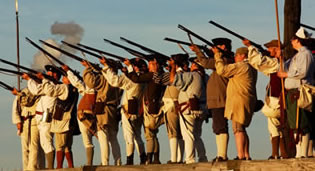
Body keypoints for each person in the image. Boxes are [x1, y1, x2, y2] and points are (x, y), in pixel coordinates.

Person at [243, 39, 289, 159]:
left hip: (276, 99)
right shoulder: (278, 63)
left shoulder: (276, 63)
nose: (268, 50)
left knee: (277, 126)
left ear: (275, 48)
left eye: (270, 48)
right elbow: (259, 64)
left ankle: (280, 153)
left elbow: (258, 61)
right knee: (275, 127)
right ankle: (278, 153)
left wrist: (250, 47)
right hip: (276, 99)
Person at [190, 38, 234, 162]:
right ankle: (220, 154)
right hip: (216, 98)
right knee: (218, 127)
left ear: (224, 47)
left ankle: (222, 155)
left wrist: (198, 52)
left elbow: (205, 63)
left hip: (220, 97)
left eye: (218, 46)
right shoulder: (221, 59)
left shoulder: (224, 60)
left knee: (220, 127)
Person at [100, 57, 147, 165]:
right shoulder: (143, 78)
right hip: (137, 111)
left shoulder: (132, 78)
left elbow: (114, 81)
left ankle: (129, 161)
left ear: (135, 67)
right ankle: (143, 158)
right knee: (137, 136)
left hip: (128, 111)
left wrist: (107, 67)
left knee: (129, 137)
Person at [214, 47, 257, 160]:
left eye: (237, 55)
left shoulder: (242, 66)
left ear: (243, 56)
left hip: (238, 100)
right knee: (242, 128)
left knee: (237, 129)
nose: (235, 57)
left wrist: (218, 57)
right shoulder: (252, 67)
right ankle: (246, 154)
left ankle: (241, 155)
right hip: (246, 99)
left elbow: (221, 71)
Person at [277, 27, 315, 158]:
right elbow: (284, 67)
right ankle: (300, 153)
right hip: (293, 92)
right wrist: (280, 59)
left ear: (298, 40)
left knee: (302, 123)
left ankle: (302, 154)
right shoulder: (297, 56)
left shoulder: (306, 54)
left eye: (293, 39)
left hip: (300, 91)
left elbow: (302, 72)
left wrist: (286, 74)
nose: (292, 42)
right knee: (295, 124)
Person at [22, 65, 69, 169]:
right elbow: (36, 90)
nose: (49, 74)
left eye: (52, 73)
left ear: (57, 75)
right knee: (44, 144)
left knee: (47, 143)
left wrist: (43, 79)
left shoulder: (61, 86)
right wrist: (29, 79)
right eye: (48, 73)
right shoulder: (48, 84)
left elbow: (49, 91)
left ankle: (50, 167)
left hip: (47, 117)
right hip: (40, 118)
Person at [125, 57, 166, 164]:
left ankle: (149, 159)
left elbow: (136, 79)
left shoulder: (153, 75)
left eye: (151, 64)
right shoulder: (160, 74)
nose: (149, 67)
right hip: (155, 106)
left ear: (156, 65)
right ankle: (156, 159)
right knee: (153, 134)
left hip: (150, 107)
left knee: (149, 135)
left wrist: (129, 67)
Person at [167, 57, 208, 164]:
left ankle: (190, 159)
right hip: (202, 109)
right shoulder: (206, 77)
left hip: (188, 109)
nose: (191, 66)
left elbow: (173, 79)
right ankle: (203, 157)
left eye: (193, 64)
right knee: (197, 136)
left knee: (188, 135)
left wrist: (172, 67)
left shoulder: (192, 75)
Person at [83, 61, 123, 166]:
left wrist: (88, 68)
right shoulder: (119, 80)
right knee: (113, 138)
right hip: (113, 110)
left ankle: (105, 163)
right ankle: (118, 162)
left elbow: (90, 82)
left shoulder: (105, 79)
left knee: (103, 136)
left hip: (103, 110)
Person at [62, 64, 97, 166]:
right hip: (84, 115)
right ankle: (90, 163)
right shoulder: (90, 88)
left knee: (90, 140)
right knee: (88, 140)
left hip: (85, 115)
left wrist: (68, 71)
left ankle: (93, 163)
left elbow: (77, 83)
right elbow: (78, 83)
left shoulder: (90, 88)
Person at [161, 53, 188, 164]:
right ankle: (179, 158)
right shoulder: (185, 73)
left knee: (173, 133)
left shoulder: (176, 74)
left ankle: (174, 158)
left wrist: (170, 68)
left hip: (171, 105)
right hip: (178, 105)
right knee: (180, 133)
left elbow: (160, 79)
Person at [11, 87, 45, 170]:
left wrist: (18, 94)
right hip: (25, 121)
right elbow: (16, 107)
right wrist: (18, 121)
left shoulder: (41, 89)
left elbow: (29, 101)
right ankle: (26, 168)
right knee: (25, 148)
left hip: (36, 120)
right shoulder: (24, 90)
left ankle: (36, 167)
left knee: (37, 146)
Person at [51, 74, 79, 168]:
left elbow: (52, 91)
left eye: (65, 77)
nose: (62, 78)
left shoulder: (65, 88)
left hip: (63, 121)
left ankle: (59, 167)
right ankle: (71, 167)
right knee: (67, 146)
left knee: (60, 146)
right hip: (70, 120)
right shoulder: (74, 89)